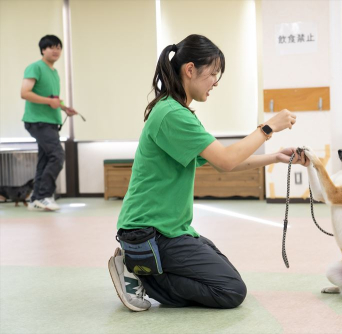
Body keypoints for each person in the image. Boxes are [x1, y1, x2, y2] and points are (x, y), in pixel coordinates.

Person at [108, 34, 307, 312]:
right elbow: (226, 160)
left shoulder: (178, 112)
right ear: (190, 70)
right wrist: (268, 127)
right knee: (231, 291)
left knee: (218, 265)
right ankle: (140, 272)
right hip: (149, 233)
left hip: (169, 230)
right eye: (213, 74)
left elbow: (224, 163)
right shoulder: (171, 114)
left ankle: (145, 266)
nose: (215, 82)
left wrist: (275, 157)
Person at [20, 35, 78, 211]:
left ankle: (35, 200)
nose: (56, 50)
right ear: (43, 50)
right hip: (37, 122)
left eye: (58, 47)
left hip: (49, 122)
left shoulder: (54, 72)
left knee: (45, 160)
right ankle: (44, 196)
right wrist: (49, 102)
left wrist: (64, 108)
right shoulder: (35, 67)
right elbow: (25, 93)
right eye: (51, 47)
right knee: (57, 156)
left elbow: (52, 99)